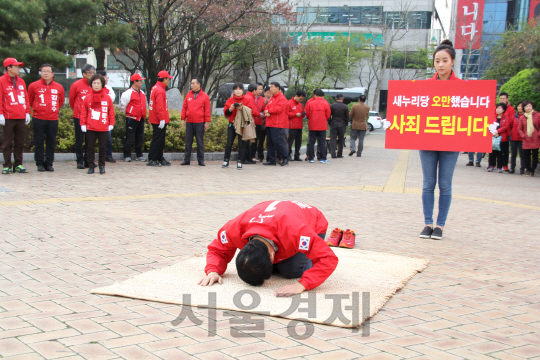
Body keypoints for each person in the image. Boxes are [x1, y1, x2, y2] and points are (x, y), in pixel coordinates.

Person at [385, 40, 461, 240]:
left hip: (451, 142)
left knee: (445, 184)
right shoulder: (424, 86)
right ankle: (428, 223)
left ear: (452, 61)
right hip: (427, 140)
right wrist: (393, 122)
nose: (441, 64)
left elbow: (475, 111)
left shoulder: (463, 88)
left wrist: (487, 126)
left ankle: (440, 225)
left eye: (445, 60)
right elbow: (409, 109)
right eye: (437, 61)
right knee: (428, 183)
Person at [197, 200, 338, 297]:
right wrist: (213, 270)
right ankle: (272, 265)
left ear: (272, 256)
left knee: (290, 270)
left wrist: (303, 285)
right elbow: (217, 249)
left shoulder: (296, 232)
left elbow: (328, 259)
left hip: (312, 220)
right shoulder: (235, 229)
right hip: (275, 217)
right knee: (265, 266)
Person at [28, 63, 65, 172]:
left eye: (48, 71)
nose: (45, 73)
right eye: (43, 71)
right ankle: (39, 163)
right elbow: (30, 100)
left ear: (53, 73)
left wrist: (54, 111)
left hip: (53, 118)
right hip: (38, 117)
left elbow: (60, 101)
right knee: (38, 141)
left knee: (51, 141)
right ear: (41, 72)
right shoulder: (33, 85)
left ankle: (49, 163)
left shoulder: (59, 87)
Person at [79, 74, 115, 175]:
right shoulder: (87, 98)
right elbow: (83, 112)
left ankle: (102, 166)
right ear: (91, 84)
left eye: (98, 83)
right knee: (90, 147)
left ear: (102, 84)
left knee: (103, 147)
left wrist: (111, 123)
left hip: (103, 126)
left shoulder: (107, 98)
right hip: (91, 126)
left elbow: (111, 112)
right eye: (94, 83)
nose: (96, 85)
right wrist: (83, 124)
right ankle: (91, 166)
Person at [1, 58, 31, 174]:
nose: (18, 69)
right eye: (16, 66)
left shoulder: (21, 81)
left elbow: (26, 97)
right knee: (7, 142)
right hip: (8, 117)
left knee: (20, 142)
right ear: (9, 67)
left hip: (21, 115)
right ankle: (7, 165)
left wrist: (27, 111)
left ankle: (18, 164)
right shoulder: (2, 81)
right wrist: (0, 114)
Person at [223, 82, 259, 169]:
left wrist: (242, 108)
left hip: (242, 124)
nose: (238, 91)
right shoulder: (230, 100)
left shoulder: (247, 100)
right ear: (233, 91)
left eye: (239, 89)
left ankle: (239, 161)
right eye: (236, 89)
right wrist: (231, 108)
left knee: (241, 143)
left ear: (242, 90)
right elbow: (226, 113)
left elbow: (250, 111)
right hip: (232, 123)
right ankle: (226, 160)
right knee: (229, 143)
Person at [69, 64, 95, 169]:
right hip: (79, 117)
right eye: (90, 73)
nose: (92, 74)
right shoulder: (76, 85)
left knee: (90, 140)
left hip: (92, 117)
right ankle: (79, 161)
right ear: (84, 74)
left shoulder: (95, 84)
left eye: (94, 72)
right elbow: (71, 100)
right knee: (79, 139)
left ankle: (88, 160)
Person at [181, 77, 211, 166]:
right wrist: (183, 119)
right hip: (189, 121)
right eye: (191, 83)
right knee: (188, 141)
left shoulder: (205, 96)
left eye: (193, 83)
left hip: (200, 122)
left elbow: (207, 110)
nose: (192, 85)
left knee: (200, 141)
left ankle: (201, 160)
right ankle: (186, 160)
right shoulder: (188, 95)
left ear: (199, 84)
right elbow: (184, 108)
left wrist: (207, 122)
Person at [147, 70, 173, 167]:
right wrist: (162, 118)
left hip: (157, 118)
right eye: (168, 79)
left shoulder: (156, 88)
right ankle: (153, 158)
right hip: (158, 119)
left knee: (159, 139)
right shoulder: (159, 90)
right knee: (157, 139)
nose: (169, 81)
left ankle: (158, 157)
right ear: (164, 79)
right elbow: (159, 106)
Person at [119, 73, 147, 162]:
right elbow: (123, 106)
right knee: (130, 137)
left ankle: (139, 155)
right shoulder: (127, 93)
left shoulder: (142, 93)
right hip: (132, 118)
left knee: (140, 137)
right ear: (135, 82)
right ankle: (127, 155)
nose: (142, 82)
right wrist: (129, 113)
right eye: (140, 81)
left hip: (140, 118)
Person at [263, 82, 289, 166]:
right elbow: (266, 107)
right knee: (269, 142)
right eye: (270, 87)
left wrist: (269, 111)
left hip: (277, 124)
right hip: (269, 123)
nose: (270, 89)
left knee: (277, 141)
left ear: (278, 88)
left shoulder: (282, 98)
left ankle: (285, 157)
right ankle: (271, 160)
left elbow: (279, 109)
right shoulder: (272, 98)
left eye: (272, 87)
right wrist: (266, 111)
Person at [305, 89, 331, 164]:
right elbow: (328, 115)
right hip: (322, 126)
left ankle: (311, 158)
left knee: (311, 142)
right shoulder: (326, 103)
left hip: (312, 125)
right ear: (323, 96)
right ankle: (323, 158)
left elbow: (307, 115)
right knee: (322, 142)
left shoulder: (310, 103)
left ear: (315, 95)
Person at [97, 71, 117, 163]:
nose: (106, 80)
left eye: (106, 78)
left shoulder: (109, 89)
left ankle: (108, 155)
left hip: (106, 117)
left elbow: (111, 98)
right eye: (104, 77)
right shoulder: (93, 87)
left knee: (107, 138)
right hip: (95, 117)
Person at [518, 100, 540, 176]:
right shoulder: (523, 117)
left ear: (532, 106)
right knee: (526, 156)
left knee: (535, 155)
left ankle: (532, 170)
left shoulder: (538, 115)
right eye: (526, 106)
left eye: (530, 106)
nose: (528, 108)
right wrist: (523, 136)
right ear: (524, 108)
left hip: (536, 139)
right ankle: (528, 169)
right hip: (526, 139)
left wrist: (538, 134)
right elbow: (519, 129)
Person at [488, 103, 510, 173]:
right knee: (492, 153)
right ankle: (491, 165)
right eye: (497, 108)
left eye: (500, 108)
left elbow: (506, 126)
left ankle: (499, 167)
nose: (498, 109)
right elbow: (489, 125)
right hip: (493, 137)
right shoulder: (493, 117)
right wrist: (494, 131)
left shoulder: (506, 118)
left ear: (503, 110)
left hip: (502, 138)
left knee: (500, 153)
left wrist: (498, 131)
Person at [245, 83, 263, 164]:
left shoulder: (247, 96)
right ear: (254, 90)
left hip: (247, 121)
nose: (259, 91)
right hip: (249, 121)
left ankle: (246, 158)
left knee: (247, 140)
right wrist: (260, 115)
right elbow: (253, 111)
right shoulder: (250, 98)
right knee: (248, 140)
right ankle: (247, 158)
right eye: (258, 89)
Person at [287, 91, 306, 161]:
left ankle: (297, 155)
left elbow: (301, 113)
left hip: (299, 125)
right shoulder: (289, 103)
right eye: (300, 98)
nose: (301, 100)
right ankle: (288, 155)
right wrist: (295, 114)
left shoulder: (300, 104)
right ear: (296, 96)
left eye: (302, 99)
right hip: (292, 126)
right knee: (290, 142)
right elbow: (286, 114)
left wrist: (303, 114)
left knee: (298, 142)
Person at [329, 93, 349, 158]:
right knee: (341, 139)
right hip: (342, 124)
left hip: (334, 123)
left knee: (333, 138)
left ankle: (333, 154)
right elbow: (347, 117)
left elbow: (329, 116)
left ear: (335, 99)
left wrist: (330, 122)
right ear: (342, 99)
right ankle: (339, 154)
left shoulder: (331, 106)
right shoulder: (345, 106)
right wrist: (346, 123)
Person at [509, 101, 524, 174]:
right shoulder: (514, 117)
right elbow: (510, 126)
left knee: (522, 154)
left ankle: (522, 168)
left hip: (522, 138)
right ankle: (512, 168)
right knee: (513, 153)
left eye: (521, 106)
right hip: (513, 138)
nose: (519, 108)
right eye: (518, 106)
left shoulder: (526, 117)